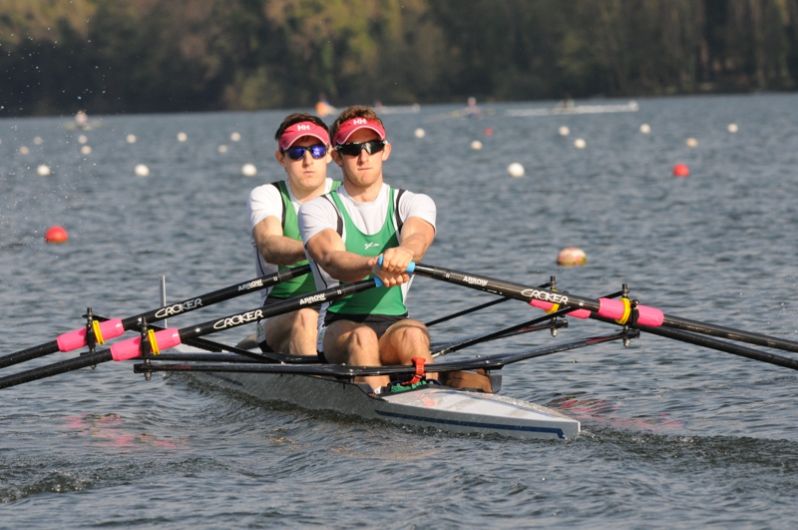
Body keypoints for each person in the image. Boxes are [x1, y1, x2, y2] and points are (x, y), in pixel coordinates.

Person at [298, 106, 437, 391]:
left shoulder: (413, 202)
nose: (363, 157)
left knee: (415, 335)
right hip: (340, 327)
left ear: (385, 151)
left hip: (394, 325)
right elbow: (332, 259)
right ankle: (377, 418)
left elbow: (418, 238)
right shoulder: (317, 210)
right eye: (352, 149)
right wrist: (372, 264)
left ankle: (430, 401)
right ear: (336, 157)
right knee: (363, 338)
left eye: (371, 147)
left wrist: (406, 252)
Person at [247, 113, 337, 356]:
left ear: (329, 154)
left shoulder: (346, 194)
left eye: (316, 150)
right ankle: (317, 386)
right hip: (280, 312)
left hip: (339, 309)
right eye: (297, 153)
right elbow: (270, 245)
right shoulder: (269, 196)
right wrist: (319, 251)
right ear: (281, 158)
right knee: (307, 316)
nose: (308, 160)